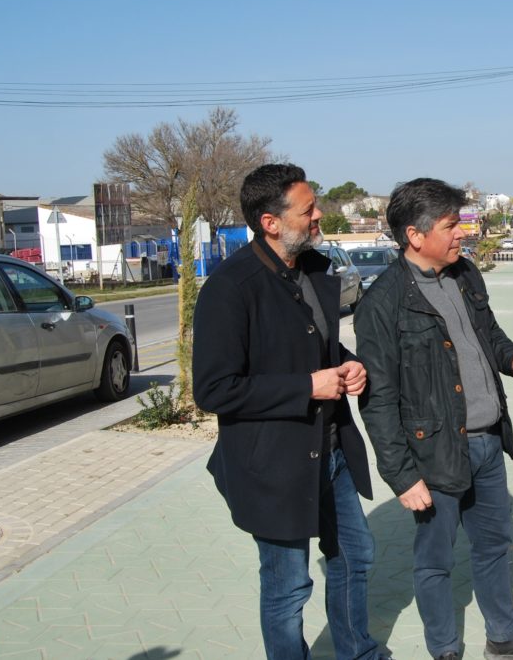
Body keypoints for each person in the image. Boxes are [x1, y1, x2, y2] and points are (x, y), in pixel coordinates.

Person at [355, 178, 513, 660]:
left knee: (494, 548)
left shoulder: (466, 274)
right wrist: (402, 476)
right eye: (451, 226)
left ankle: (503, 637)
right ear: (415, 235)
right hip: (435, 453)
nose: (462, 234)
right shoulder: (382, 304)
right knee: (435, 562)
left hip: (488, 443)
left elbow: (488, 334)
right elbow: (379, 401)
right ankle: (445, 650)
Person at [193, 163, 389, 660]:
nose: (320, 215)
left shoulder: (318, 271)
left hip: (332, 451)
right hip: (273, 464)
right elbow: (214, 390)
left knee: (354, 556)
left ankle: (357, 651)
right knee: (287, 586)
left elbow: (319, 351)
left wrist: (348, 367)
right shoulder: (230, 287)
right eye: (308, 209)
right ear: (271, 222)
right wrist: (308, 386)